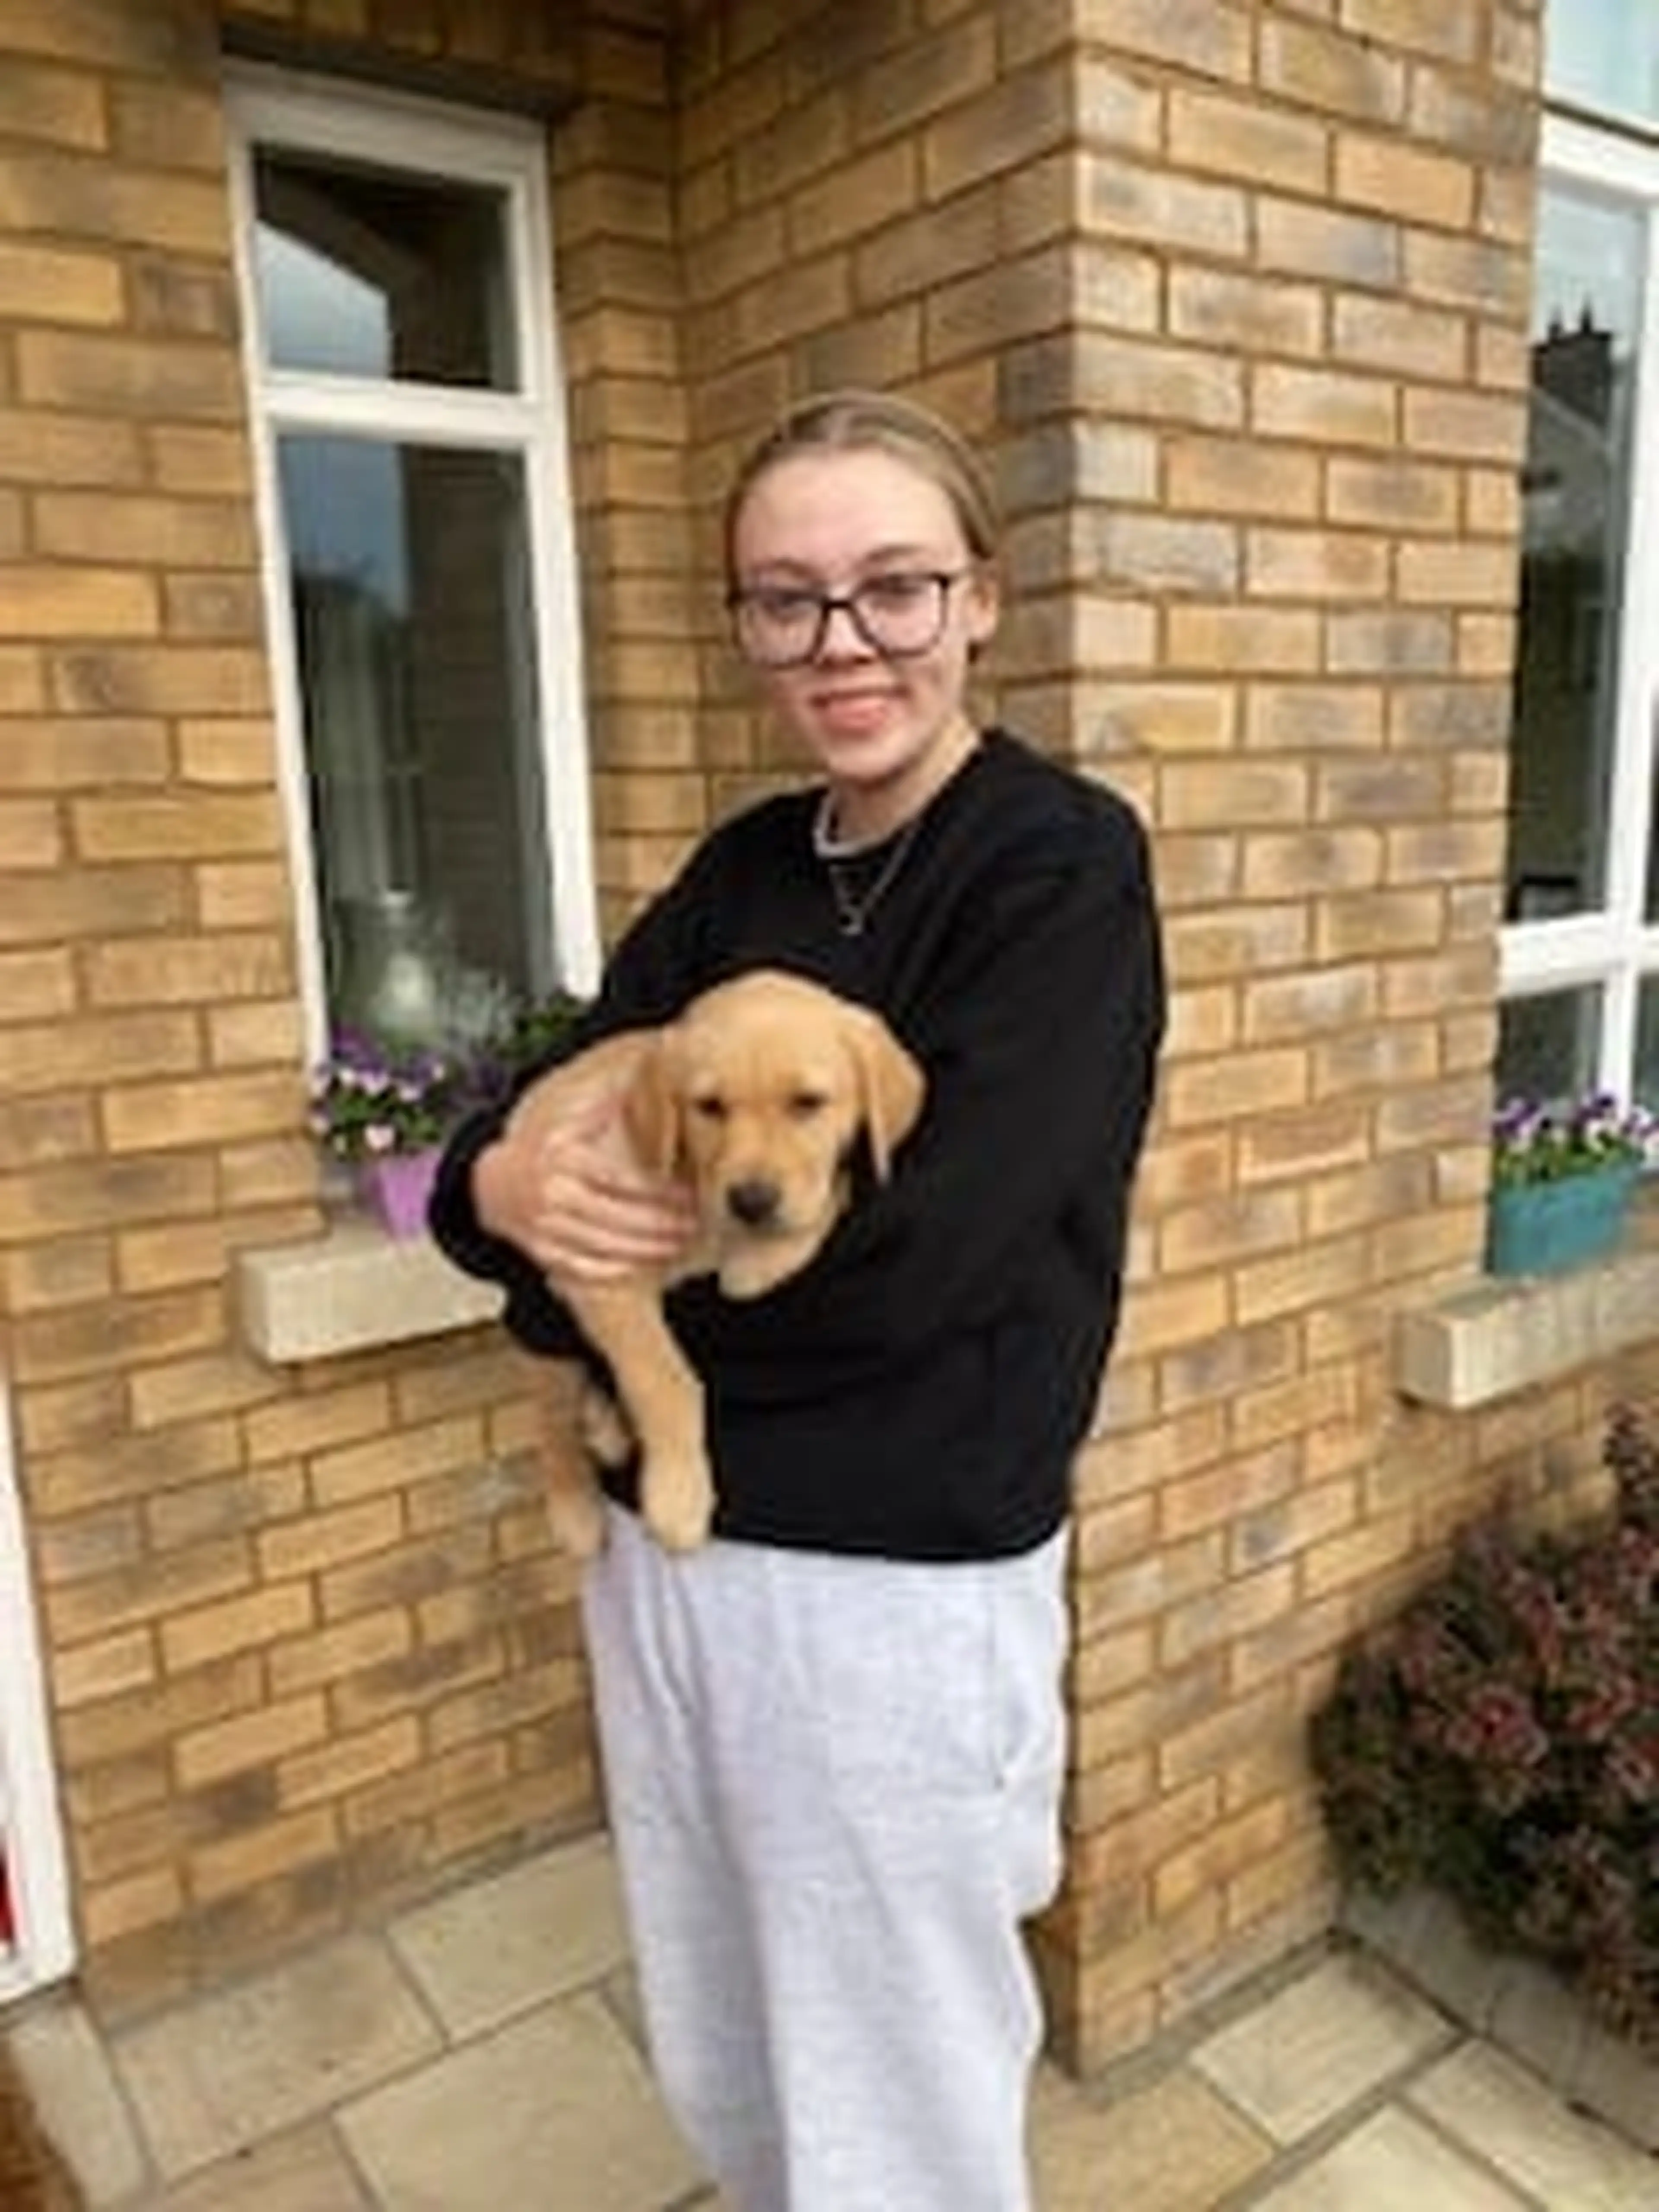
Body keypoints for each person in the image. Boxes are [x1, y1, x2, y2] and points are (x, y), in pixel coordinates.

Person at [429, 389, 1164, 2212]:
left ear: (981, 598)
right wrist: (499, 1190)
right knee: (728, 2020)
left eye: (894, 587)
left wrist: (574, 1286)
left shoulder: (1058, 864)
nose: (844, 642)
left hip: (888, 1582)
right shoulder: (747, 868)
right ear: (750, 626)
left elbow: (921, 1266)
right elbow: (540, 1117)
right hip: (669, 1559)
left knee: (896, 2088)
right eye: (788, 598)